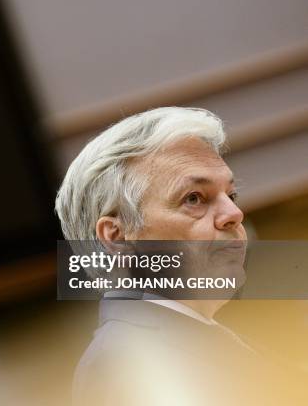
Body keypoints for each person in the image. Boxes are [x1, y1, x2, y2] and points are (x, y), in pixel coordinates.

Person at [55, 107, 306, 405]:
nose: (234, 214)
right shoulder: (122, 362)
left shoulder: (204, 338)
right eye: (194, 198)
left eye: (231, 195)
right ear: (117, 238)